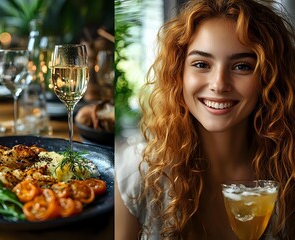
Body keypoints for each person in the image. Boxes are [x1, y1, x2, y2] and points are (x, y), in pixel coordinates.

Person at [115, 0, 295, 239]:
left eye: (242, 66)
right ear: (179, 72)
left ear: (270, 78)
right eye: (201, 64)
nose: (219, 84)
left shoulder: (289, 171)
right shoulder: (138, 173)